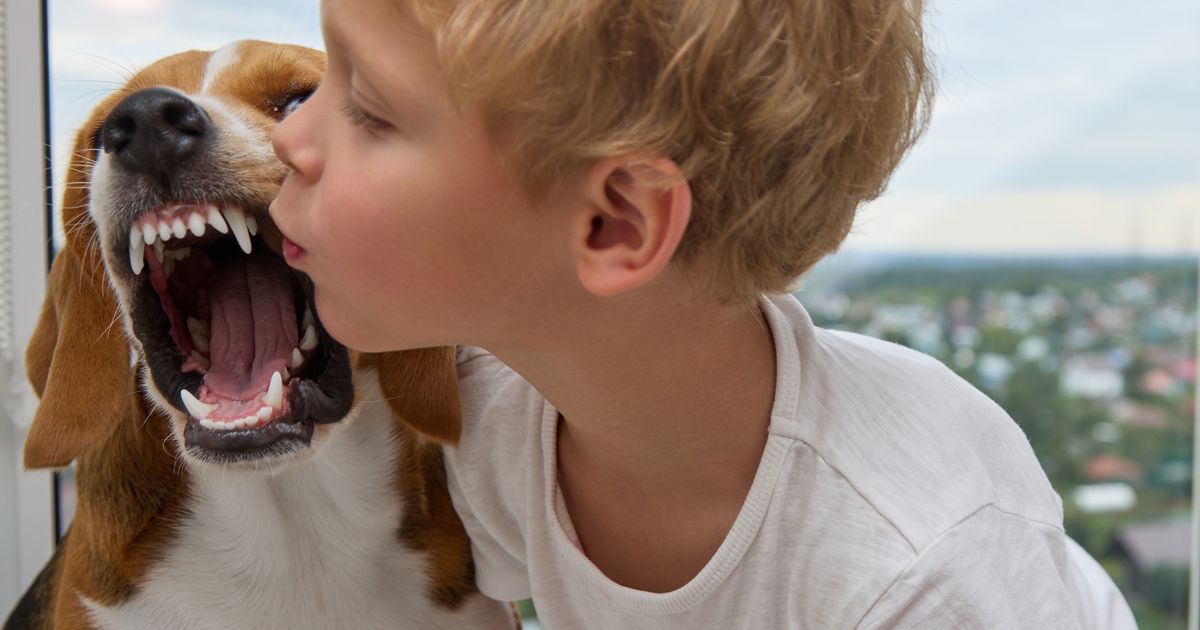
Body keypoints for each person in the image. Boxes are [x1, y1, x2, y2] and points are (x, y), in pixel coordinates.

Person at [269, 0, 1136, 627]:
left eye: (370, 110)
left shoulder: (917, 564)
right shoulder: (492, 432)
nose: (290, 139)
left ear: (617, 225)